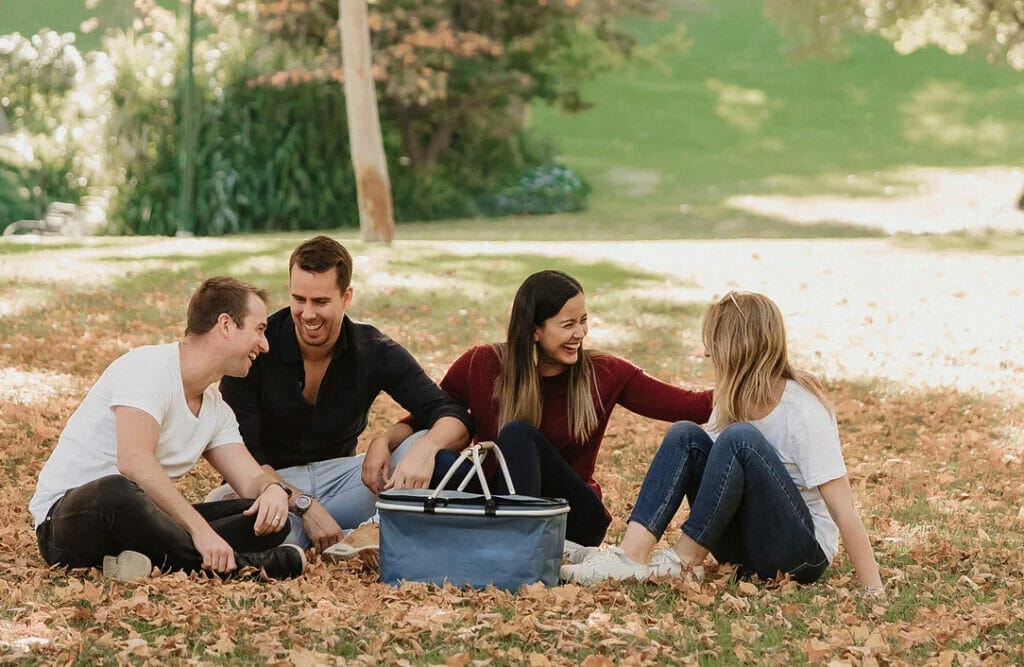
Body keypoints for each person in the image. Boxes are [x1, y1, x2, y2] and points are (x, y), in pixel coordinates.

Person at [561, 292, 884, 596]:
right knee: (685, 434)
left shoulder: (803, 410)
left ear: (736, 348)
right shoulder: (730, 400)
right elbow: (715, 479)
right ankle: (630, 556)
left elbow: (843, 510)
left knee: (739, 438)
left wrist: (874, 590)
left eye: (713, 343)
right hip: (741, 554)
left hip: (799, 556)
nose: (706, 354)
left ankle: (684, 561)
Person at [373, 269, 714, 547]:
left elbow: (691, 406)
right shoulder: (482, 364)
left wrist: (743, 366)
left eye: (583, 320)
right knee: (434, 458)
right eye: (568, 324)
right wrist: (384, 441)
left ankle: (514, 544)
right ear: (534, 330)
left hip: (573, 516)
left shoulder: (605, 373)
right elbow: (424, 418)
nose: (580, 333)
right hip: (495, 500)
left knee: (518, 434)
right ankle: (459, 535)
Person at [29, 277, 306, 581]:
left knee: (266, 519)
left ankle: (142, 559)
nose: (265, 345)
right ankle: (240, 568)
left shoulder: (216, 409)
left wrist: (272, 491)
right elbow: (133, 462)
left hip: (143, 523)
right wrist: (200, 531)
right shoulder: (148, 369)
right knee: (117, 490)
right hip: (68, 522)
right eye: (259, 329)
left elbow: (250, 478)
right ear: (226, 325)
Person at [213, 236, 473, 556]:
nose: (308, 313)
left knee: (421, 444)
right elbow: (240, 453)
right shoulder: (257, 347)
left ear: (346, 297)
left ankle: (340, 536)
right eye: (299, 299)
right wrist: (304, 504)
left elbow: (452, 414)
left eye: (321, 302)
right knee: (234, 512)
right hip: (268, 483)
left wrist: (417, 446)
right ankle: (353, 534)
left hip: (344, 481)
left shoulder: (372, 349)